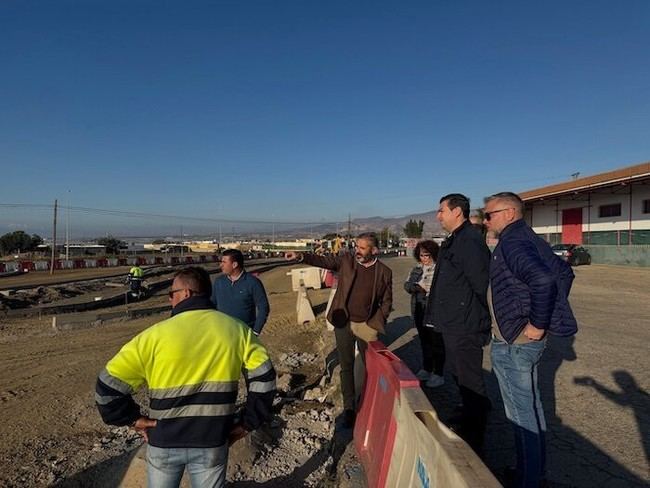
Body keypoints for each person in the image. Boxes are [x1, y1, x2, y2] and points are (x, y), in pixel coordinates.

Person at [96, 266, 276, 488]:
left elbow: (107, 386)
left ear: (186, 293)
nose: (170, 299)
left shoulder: (152, 336)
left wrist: (133, 420)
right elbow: (265, 381)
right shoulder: (237, 331)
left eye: (172, 294)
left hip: (164, 440)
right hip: (212, 440)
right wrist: (247, 424)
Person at [484, 192, 577, 488]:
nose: (486, 221)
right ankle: (532, 474)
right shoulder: (529, 238)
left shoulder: (512, 241)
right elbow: (564, 273)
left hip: (515, 344)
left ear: (510, 213)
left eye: (489, 215)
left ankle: (527, 481)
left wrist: (537, 322)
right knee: (531, 409)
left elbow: (545, 280)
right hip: (522, 342)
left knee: (521, 417)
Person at [285, 232, 392, 428]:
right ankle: (350, 408)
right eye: (356, 246)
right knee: (347, 366)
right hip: (343, 323)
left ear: (374, 250)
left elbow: (386, 300)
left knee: (371, 368)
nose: (356, 251)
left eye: (362, 248)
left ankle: (367, 403)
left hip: (366, 326)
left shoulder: (384, 272)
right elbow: (324, 261)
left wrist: (379, 319)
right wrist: (301, 256)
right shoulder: (347, 262)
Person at [424, 193, 492, 455]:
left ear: (457, 212)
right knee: (460, 376)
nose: (437, 215)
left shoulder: (469, 242)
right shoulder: (456, 240)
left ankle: (476, 441)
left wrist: (483, 322)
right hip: (454, 324)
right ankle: (468, 418)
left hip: (466, 326)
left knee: (471, 381)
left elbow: (482, 285)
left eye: (441, 210)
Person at [404, 239, 445, 388]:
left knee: (437, 342)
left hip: (434, 310)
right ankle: (427, 368)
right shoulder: (416, 269)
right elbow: (407, 285)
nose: (425, 258)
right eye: (422, 255)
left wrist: (425, 289)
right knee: (424, 341)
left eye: (427, 255)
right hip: (419, 308)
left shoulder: (439, 269)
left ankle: (438, 372)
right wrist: (416, 288)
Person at [212, 249, 270, 335]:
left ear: (234, 264)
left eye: (224, 262)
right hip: (221, 333)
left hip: (243, 333)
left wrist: (255, 332)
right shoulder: (219, 282)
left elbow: (263, 308)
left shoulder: (253, 283)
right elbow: (211, 304)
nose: (221, 265)